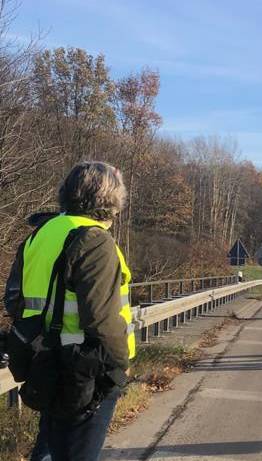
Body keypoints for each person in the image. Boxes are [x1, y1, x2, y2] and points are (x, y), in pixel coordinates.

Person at [4, 161, 135, 461]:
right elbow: (102, 320)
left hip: (45, 361)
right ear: (112, 201)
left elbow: (14, 300)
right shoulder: (94, 240)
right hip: (86, 369)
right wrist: (120, 365)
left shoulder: (41, 234)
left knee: (50, 447)